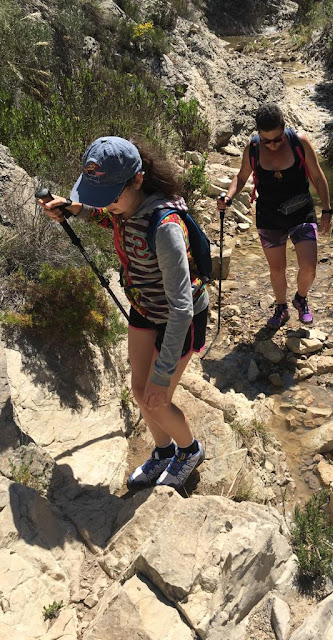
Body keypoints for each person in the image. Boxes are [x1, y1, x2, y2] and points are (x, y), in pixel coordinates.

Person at [39, 136, 207, 491]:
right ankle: (163, 452)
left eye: (112, 196)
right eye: (100, 197)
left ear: (138, 180)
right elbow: (107, 218)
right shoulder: (126, 208)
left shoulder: (165, 227)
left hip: (181, 318)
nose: (108, 205)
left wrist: (162, 378)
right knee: (138, 389)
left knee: (155, 398)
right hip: (145, 307)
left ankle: (189, 451)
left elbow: (182, 308)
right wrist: (73, 208)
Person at [218, 103, 332, 328]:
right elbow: (241, 177)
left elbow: (318, 177)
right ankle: (281, 308)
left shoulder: (300, 142)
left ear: (284, 128)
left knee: (309, 266)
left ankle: (301, 298)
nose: (272, 145)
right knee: (277, 269)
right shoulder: (252, 147)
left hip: (301, 211)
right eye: (266, 140)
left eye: (277, 139)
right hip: (269, 214)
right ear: (259, 134)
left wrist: (327, 210)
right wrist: (228, 198)